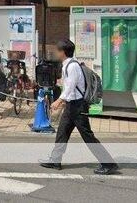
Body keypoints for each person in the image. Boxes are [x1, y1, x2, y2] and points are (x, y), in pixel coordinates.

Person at [40, 39, 118, 175]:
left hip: (78, 107)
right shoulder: (67, 65)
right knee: (62, 133)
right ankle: (55, 160)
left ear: (63, 52)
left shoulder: (72, 66)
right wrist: (64, 102)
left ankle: (108, 164)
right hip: (71, 105)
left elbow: (70, 87)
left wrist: (58, 101)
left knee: (88, 136)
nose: (55, 53)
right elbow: (69, 88)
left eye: (57, 50)